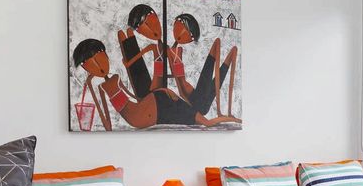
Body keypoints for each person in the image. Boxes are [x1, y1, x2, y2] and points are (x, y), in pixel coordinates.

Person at [73, 38, 240, 129]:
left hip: (157, 104)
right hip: (147, 113)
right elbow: (107, 118)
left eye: (101, 55)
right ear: (85, 66)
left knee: (204, 120)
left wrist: (159, 90)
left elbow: (134, 96)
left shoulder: (115, 78)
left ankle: (228, 117)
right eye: (90, 61)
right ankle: (227, 117)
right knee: (204, 118)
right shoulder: (101, 86)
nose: (98, 62)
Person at [168, 13, 240, 117]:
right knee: (218, 44)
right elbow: (180, 87)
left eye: (189, 33)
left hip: (198, 101)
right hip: (196, 101)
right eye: (186, 30)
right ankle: (221, 111)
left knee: (233, 50)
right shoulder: (171, 52)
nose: (186, 34)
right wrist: (189, 105)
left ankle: (227, 111)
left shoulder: (178, 50)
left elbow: (180, 83)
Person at [118, 4, 166, 97]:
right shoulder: (153, 47)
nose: (149, 28)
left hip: (158, 90)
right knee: (126, 36)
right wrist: (128, 64)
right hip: (152, 88)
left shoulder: (164, 48)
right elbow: (138, 55)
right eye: (141, 26)